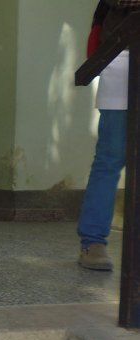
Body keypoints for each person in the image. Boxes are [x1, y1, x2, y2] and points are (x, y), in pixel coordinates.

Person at [77, 0, 133, 271]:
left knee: (108, 160)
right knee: (110, 158)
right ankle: (93, 241)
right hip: (121, 56)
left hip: (120, 55)